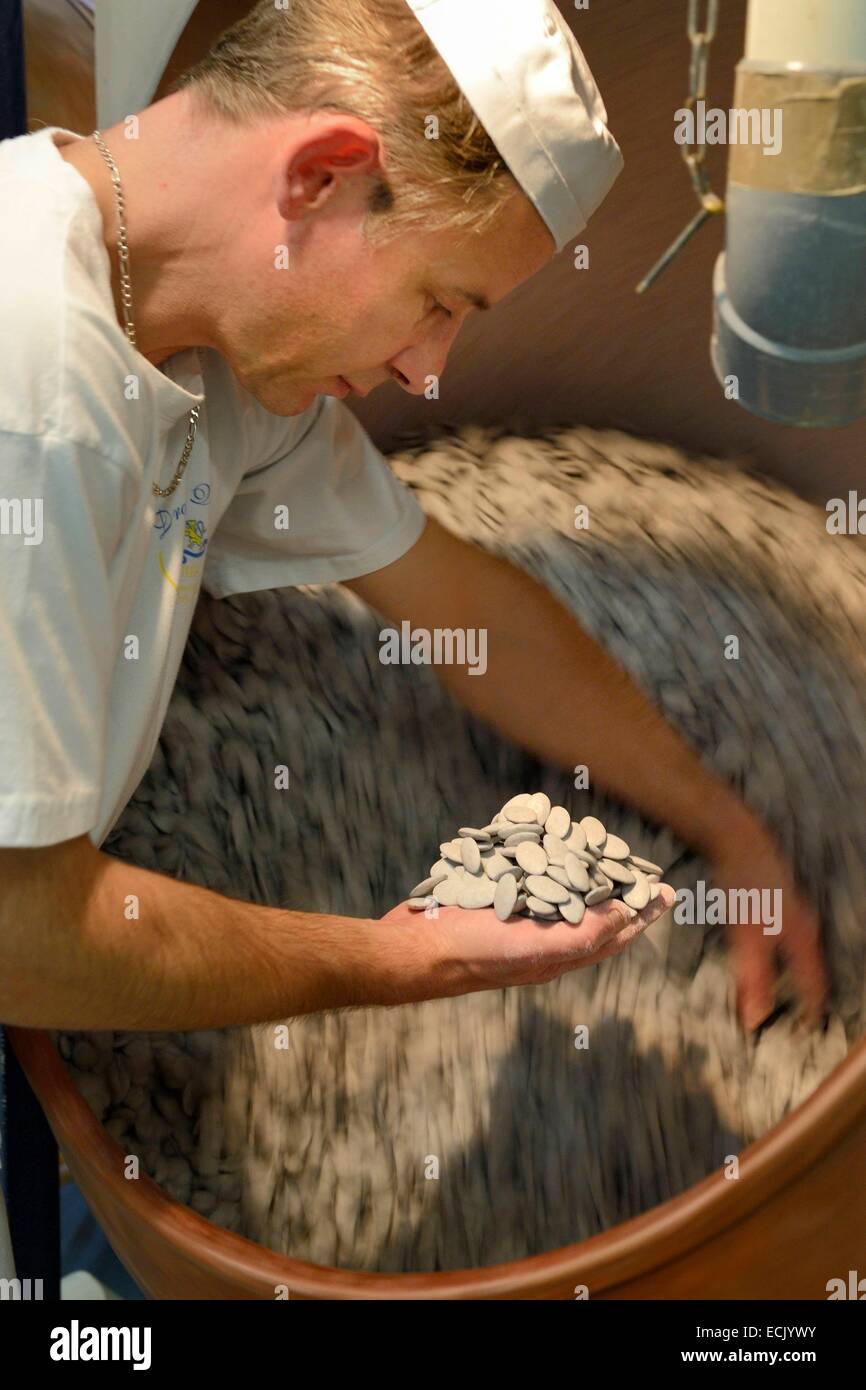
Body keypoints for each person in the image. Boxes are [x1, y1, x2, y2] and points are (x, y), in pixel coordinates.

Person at [0, 0, 825, 1044]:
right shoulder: (31, 392)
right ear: (321, 174)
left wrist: (723, 825)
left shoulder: (229, 361)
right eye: (440, 299)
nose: (425, 374)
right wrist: (406, 955)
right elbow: (24, 934)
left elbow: (468, 610)